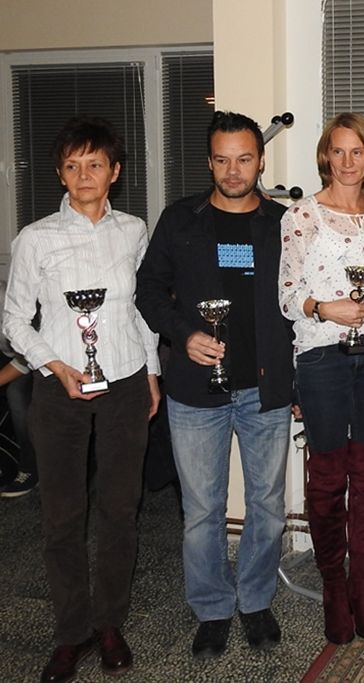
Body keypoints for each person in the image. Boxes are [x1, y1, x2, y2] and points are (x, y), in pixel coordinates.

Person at [3, 116, 161, 683]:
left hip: (124, 383)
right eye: (72, 165)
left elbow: (142, 309)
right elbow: (14, 321)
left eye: (95, 164)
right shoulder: (35, 238)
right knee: (62, 517)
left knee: (120, 511)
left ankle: (109, 623)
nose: (84, 175)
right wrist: (54, 364)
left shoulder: (134, 231)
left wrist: (152, 373)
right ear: (60, 173)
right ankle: (72, 633)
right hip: (58, 390)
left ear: (114, 172)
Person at [136, 111, 295, 659]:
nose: (233, 171)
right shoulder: (179, 220)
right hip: (194, 393)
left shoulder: (283, 224)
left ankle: (255, 600)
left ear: (260, 160)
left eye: (244, 159)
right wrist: (184, 336)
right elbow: (148, 291)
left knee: (267, 505)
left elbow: (299, 304)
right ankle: (211, 608)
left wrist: (296, 384)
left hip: (265, 391)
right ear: (209, 162)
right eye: (222, 160)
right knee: (203, 509)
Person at [278, 113, 364, 644]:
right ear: (325, 156)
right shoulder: (301, 216)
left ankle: (361, 587)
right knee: (327, 477)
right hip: (323, 356)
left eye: (358, 151)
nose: (347, 161)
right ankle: (333, 587)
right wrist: (325, 308)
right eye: (338, 151)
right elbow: (287, 297)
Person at [0, 279, 36, 498]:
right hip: (7, 355)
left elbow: (25, 359)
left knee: (17, 393)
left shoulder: (6, 297)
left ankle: (31, 466)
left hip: (35, 357)